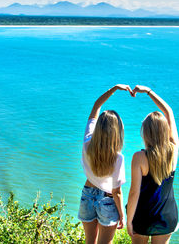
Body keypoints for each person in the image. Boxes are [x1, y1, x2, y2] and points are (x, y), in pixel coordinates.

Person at [78, 84, 132, 244]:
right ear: (117, 133)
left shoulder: (87, 142)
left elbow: (96, 106)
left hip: (86, 195)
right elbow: (117, 191)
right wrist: (122, 215)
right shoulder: (118, 158)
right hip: (107, 200)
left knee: (89, 242)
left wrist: (113, 89)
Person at [126, 85, 179, 244]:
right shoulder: (173, 152)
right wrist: (149, 92)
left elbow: (134, 193)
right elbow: (169, 113)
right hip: (167, 216)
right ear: (165, 131)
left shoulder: (139, 157)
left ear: (146, 133)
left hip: (143, 216)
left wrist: (129, 221)